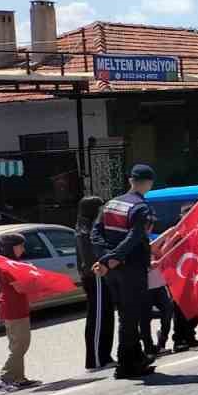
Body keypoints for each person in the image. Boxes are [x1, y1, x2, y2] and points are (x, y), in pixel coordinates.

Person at [91, 162, 158, 379]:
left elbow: (95, 234)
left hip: (113, 270)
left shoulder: (110, 204)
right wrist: (115, 258)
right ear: (149, 183)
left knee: (126, 314)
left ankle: (137, 358)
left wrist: (105, 258)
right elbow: (134, 237)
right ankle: (126, 365)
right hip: (131, 267)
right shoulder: (141, 207)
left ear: (130, 180)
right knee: (130, 316)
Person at [0, 232, 39, 393]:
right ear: (11, 248)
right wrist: (33, 276)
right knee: (21, 345)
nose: (23, 249)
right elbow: (20, 288)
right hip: (14, 310)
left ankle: (19, 378)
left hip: (13, 308)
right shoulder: (8, 267)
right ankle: (4, 378)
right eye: (21, 246)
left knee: (17, 345)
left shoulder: (8, 264)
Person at [76, 195, 114, 372]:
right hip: (96, 275)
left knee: (105, 315)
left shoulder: (87, 226)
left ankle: (104, 356)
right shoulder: (87, 229)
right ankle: (97, 359)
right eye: (100, 207)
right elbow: (91, 255)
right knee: (98, 317)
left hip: (97, 274)